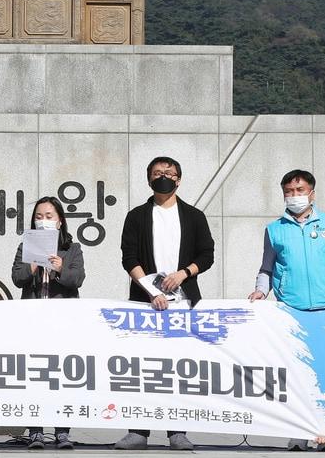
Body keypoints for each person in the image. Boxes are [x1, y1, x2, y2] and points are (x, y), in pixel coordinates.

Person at [249, 169, 325, 452]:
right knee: (295, 374)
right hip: (291, 310)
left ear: (312, 193)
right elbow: (267, 267)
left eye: (300, 190)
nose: (294, 196)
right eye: (289, 191)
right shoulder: (274, 230)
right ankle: (298, 432)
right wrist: (261, 290)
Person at [114, 157, 215, 452]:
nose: (163, 177)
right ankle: (138, 431)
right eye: (157, 173)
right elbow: (129, 257)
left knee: (179, 367)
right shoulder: (137, 216)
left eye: (169, 173)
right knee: (141, 367)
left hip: (183, 302)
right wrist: (150, 291)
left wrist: (184, 273)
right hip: (145, 302)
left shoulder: (194, 216)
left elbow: (206, 254)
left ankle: (177, 431)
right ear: (149, 179)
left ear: (179, 180)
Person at [12, 197, 85, 450]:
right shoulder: (25, 246)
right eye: (39, 217)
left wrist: (60, 267)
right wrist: (33, 264)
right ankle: (36, 432)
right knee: (34, 376)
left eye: (49, 216)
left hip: (62, 323)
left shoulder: (72, 248)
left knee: (61, 376)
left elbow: (77, 279)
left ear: (60, 221)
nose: (43, 221)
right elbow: (17, 278)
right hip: (33, 322)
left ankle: (62, 432)